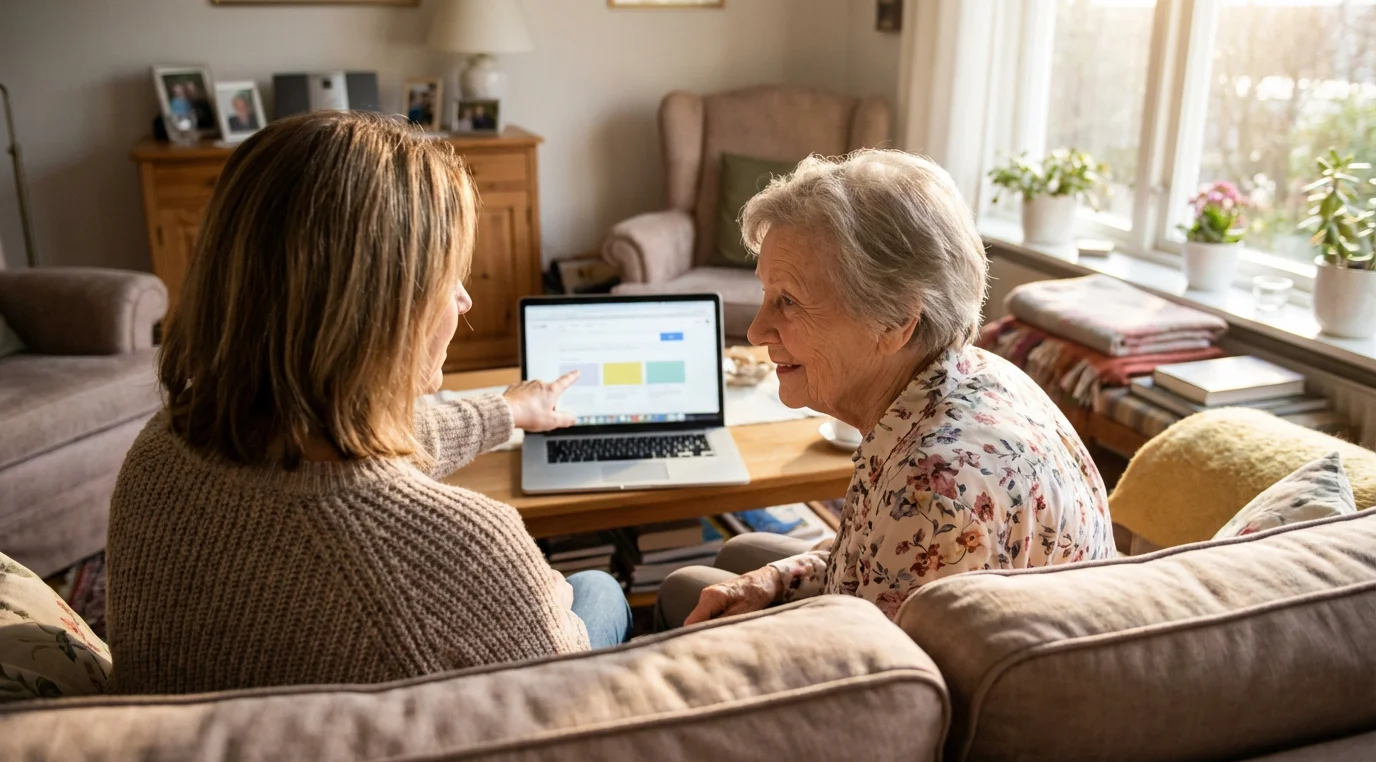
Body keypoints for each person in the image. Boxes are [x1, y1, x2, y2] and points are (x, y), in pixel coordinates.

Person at [107, 111, 631, 695]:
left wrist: (506, 410)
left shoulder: (160, 449)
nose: (462, 300)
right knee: (598, 590)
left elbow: (353, 442)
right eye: (449, 276)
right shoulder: (463, 548)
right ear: (381, 308)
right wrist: (541, 591)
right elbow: (573, 711)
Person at [657, 150, 1117, 628]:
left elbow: (879, 688)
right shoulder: (972, 371)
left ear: (896, 321)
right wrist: (775, 580)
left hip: (923, 685)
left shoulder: (933, 485)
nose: (756, 331)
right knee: (741, 553)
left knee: (679, 590)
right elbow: (869, 558)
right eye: (767, 295)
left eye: (788, 301)